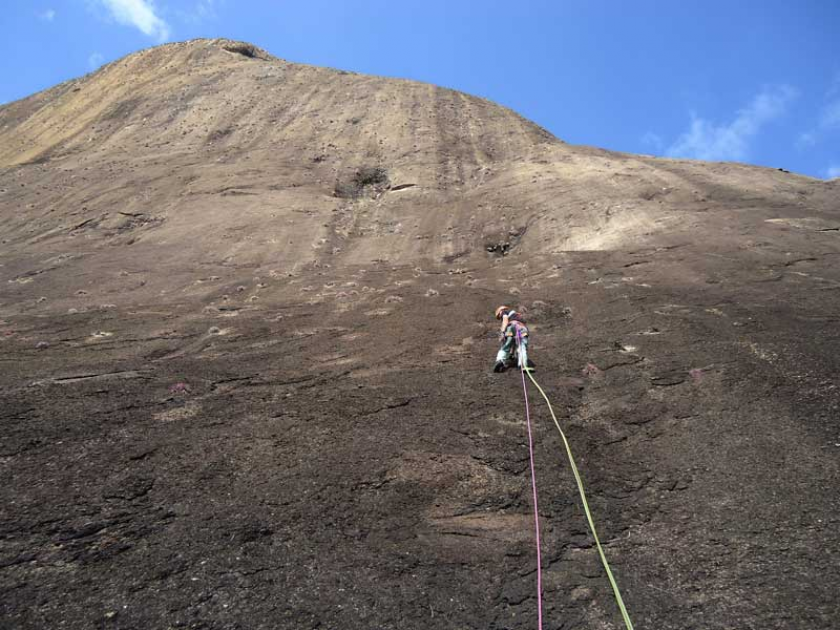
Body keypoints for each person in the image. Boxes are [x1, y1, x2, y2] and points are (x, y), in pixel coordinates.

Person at [493, 305, 535, 372]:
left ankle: (500, 360)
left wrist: (503, 332)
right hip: (521, 328)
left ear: (500, 311)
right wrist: (512, 354)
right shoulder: (516, 315)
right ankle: (523, 364)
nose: (500, 318)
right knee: (522, 346)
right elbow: (514, 341)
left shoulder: (504, 312)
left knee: (506, 345)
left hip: (511, 327)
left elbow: (505, 320)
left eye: (499, 316)